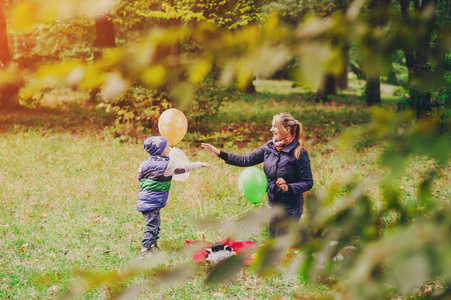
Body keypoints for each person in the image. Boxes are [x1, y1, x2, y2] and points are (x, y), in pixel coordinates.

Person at [201, 112, 313, 238]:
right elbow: (246, 160)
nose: (271, 129)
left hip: (291, 209)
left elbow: (308, 182)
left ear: (287, 130)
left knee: (281, 249)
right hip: (275, 207)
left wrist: (289, 187)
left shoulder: (299, 153)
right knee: (273, 244)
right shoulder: (270, 147)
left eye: (274, 126)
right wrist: (219, 153)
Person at [138, 136, 212, 258]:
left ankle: (153, 245)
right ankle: (146, 250)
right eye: (167, 147)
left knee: (155, 224)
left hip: (146, 199)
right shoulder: (166, 166)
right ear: (161, 151)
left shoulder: (144, 164)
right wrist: (200, 164)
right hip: (152, 201)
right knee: (152, 226)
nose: (170, 149)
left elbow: (139, 178)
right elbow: (183, 168)